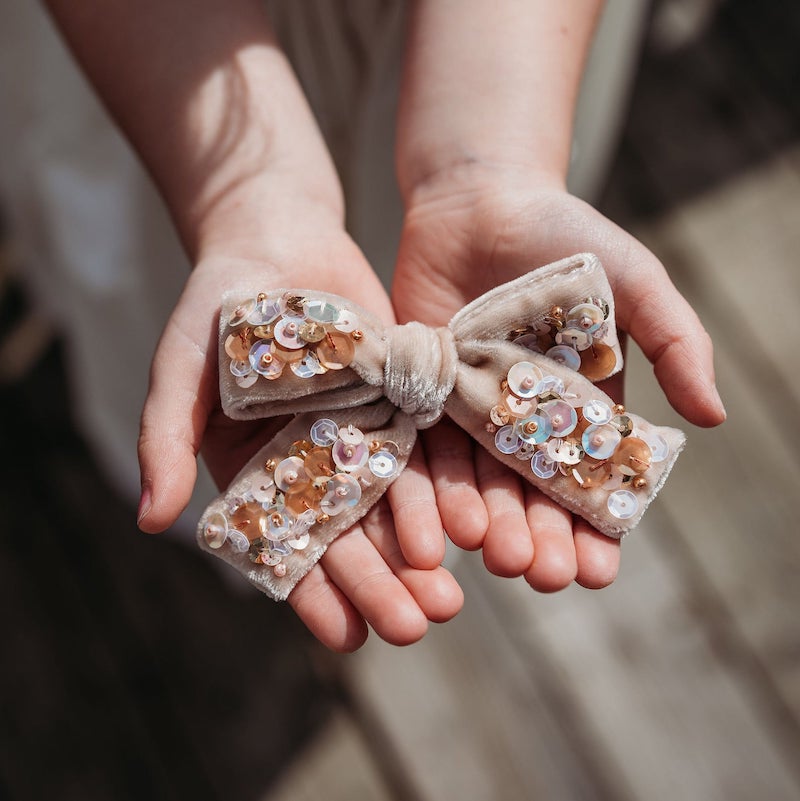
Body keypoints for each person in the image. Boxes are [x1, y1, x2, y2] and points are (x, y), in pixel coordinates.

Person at [41, 0, 725, 651]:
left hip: (513, 49)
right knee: (154, 299)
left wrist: (488, 157)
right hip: (169, 67)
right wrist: (237, 194)